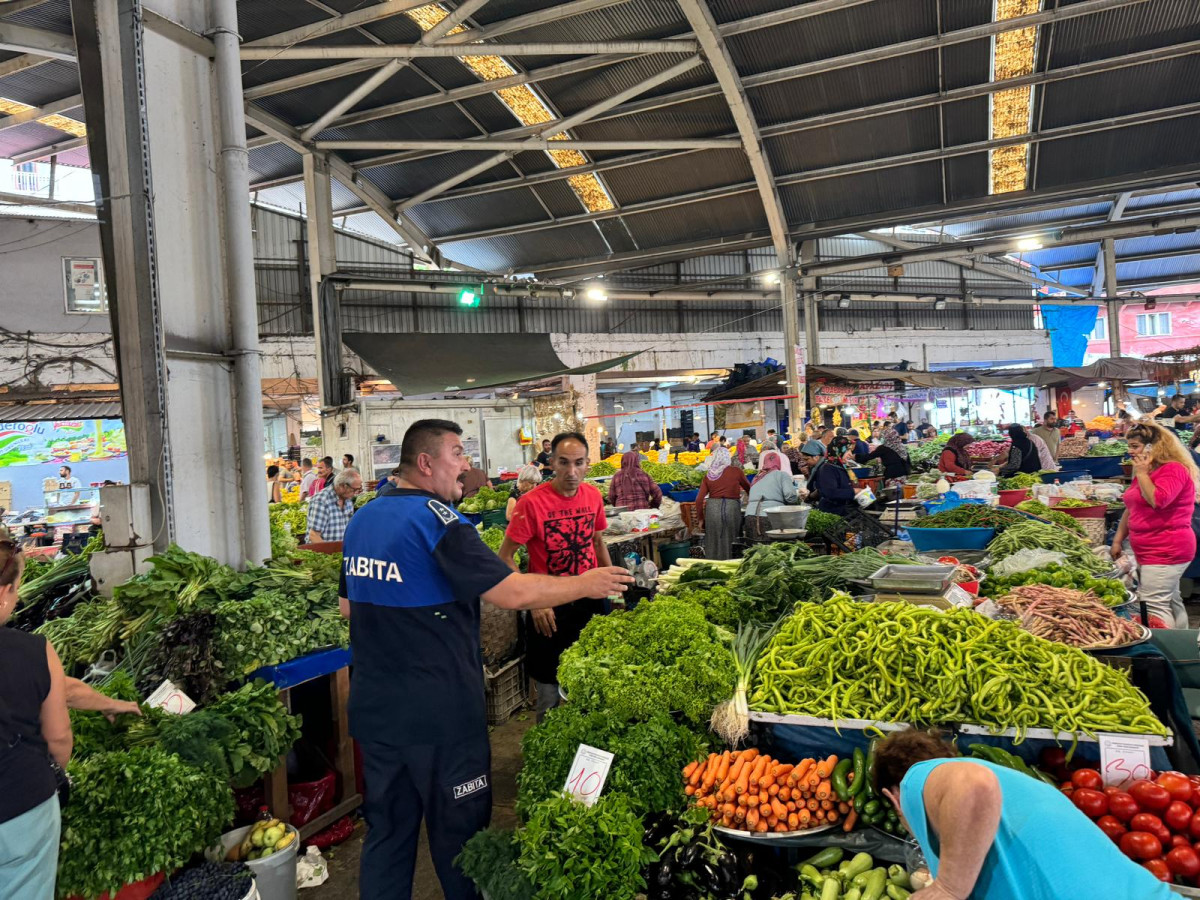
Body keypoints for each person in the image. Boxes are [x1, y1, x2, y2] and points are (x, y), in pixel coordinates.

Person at [338, 420, 631, 900]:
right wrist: (589, 582)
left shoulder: (363, 519)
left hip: (377, 711)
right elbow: (512, 591)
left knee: (388, 835)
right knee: (463, 843)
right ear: (426, 462)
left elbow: (349, 605)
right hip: (441, 715)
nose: (467, 464)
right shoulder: (437, 521)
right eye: (458, 453)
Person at [873, 729, 1172, 900]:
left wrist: (948, 887)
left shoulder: (916, 779)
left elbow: (974, 785)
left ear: (892, 797)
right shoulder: (1019, 790)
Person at [500, 433, 613, 722]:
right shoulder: (530, 504)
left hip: (590, 601)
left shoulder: (592, 496)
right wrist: (534, 602)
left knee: (594, 681)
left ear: (588, 464)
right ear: (551, 463)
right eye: (564, 462)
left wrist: (613, 590)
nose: (571, 471)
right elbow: (505, 558)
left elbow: (597, 543)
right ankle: (547, 756)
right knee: (549, 691)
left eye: (579, 463)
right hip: (549, 608)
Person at [0, 528, 72, 900]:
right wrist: (56, 773)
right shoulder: (34, 651)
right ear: (2, 593)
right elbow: (59, 738)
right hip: (20, 808)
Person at [1111, 422, 1199, 628]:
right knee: (1171, 600)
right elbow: (1132, 507)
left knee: (1154, 605)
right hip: (1150, 547)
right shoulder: (1148, 470)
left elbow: (1158, 501)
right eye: (1129, 446)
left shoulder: (1174, 469)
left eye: (1134, 446)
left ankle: (1166, 650)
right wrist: (1117, 540)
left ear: (1153, 447)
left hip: (1167, 548)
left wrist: (1141, 473)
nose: (1129, 451)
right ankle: (1182, 648)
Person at [695, 446, 751, 560]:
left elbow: (699, 500)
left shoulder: (709, 475)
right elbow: (750, 490)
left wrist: (701, 519)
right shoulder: (736, 471)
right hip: (731, 509)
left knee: (713, 540)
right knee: (732, 539)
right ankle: (731, 565)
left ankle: (714, 566)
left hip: (712, 510)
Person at [745, 450, 799, 533]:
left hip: (750, 516)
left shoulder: (757, 477)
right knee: (771, 545)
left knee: (754, 544)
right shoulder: (782, 475)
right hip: (771, 516)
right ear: (778, 462)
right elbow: (790, 496)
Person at [307, 469, 362, 543]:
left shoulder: (348, 500)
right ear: (343, 486)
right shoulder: (321, 501)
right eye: (354, 490)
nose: (355, 493)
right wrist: (329, 554)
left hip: (341, 551)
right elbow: (314, 535)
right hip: (323, 552)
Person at [806, 436, 858, 515]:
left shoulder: (843, 467)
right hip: (833, 513)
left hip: (845, 511)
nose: (850, 455)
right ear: (839, 450)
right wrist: (854, 491)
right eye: (848, 451)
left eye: (851, 451)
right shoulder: (827, 469)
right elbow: (830, 493)